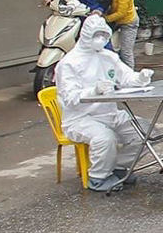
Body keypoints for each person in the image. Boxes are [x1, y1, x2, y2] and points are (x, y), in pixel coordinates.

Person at [55, 14, 152, 194]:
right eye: (96, 35)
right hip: (80, 118)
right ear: (85, 35)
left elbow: (126, 77)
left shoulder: (108, 57)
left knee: (146, 132)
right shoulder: (69, 63)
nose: (100, 40)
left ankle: (119, 168)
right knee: (104, 138)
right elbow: (69, 97)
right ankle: (99, 177)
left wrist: (140, 78)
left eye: (104, 35)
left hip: (109, 113)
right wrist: (93, 91)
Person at [103, 0, 139, 68]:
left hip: (128, 23)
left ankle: (130, 76)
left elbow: (121, 13)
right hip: (117, 21)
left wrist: (106, 18)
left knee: (126, 52)